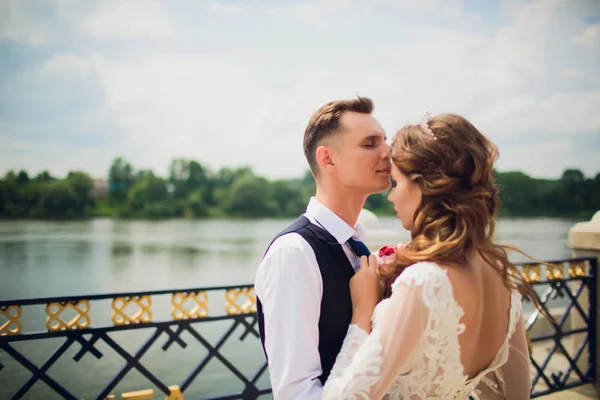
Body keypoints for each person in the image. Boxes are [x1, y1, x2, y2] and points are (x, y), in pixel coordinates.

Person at [320, 112, 533, 399]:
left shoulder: (425, 283)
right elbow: (517, 393)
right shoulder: (503, 277)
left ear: (423, 184)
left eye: (396, 183)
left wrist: (362, 312)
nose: (392, 197)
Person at [254, 96, 392, 399]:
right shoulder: (294, 253)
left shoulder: (358, 247)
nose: (387, 153)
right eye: (370, 144)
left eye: (385, 141)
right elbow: (296, 394)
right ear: (328, 158)